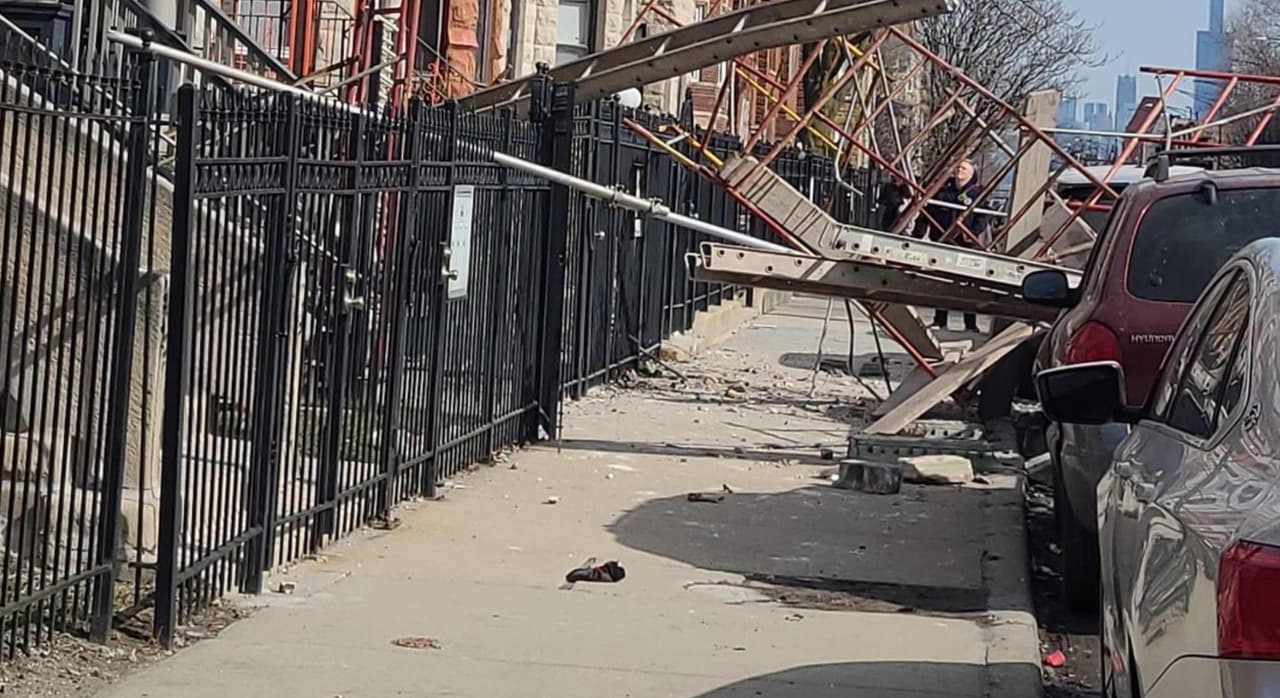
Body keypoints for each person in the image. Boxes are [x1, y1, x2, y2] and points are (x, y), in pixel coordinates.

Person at [925, 160, 988, 332]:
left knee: (967, 285)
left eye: (964, 168)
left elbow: (983, 217)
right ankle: (940, 320)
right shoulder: (944, 191)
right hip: (944, 241)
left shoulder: (977, 194)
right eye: (958, 167)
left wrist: (972, 233)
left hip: (965, 244)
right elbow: (930, 212)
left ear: (971, 173)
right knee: (943, 282)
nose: (959, 170)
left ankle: (969, 323)